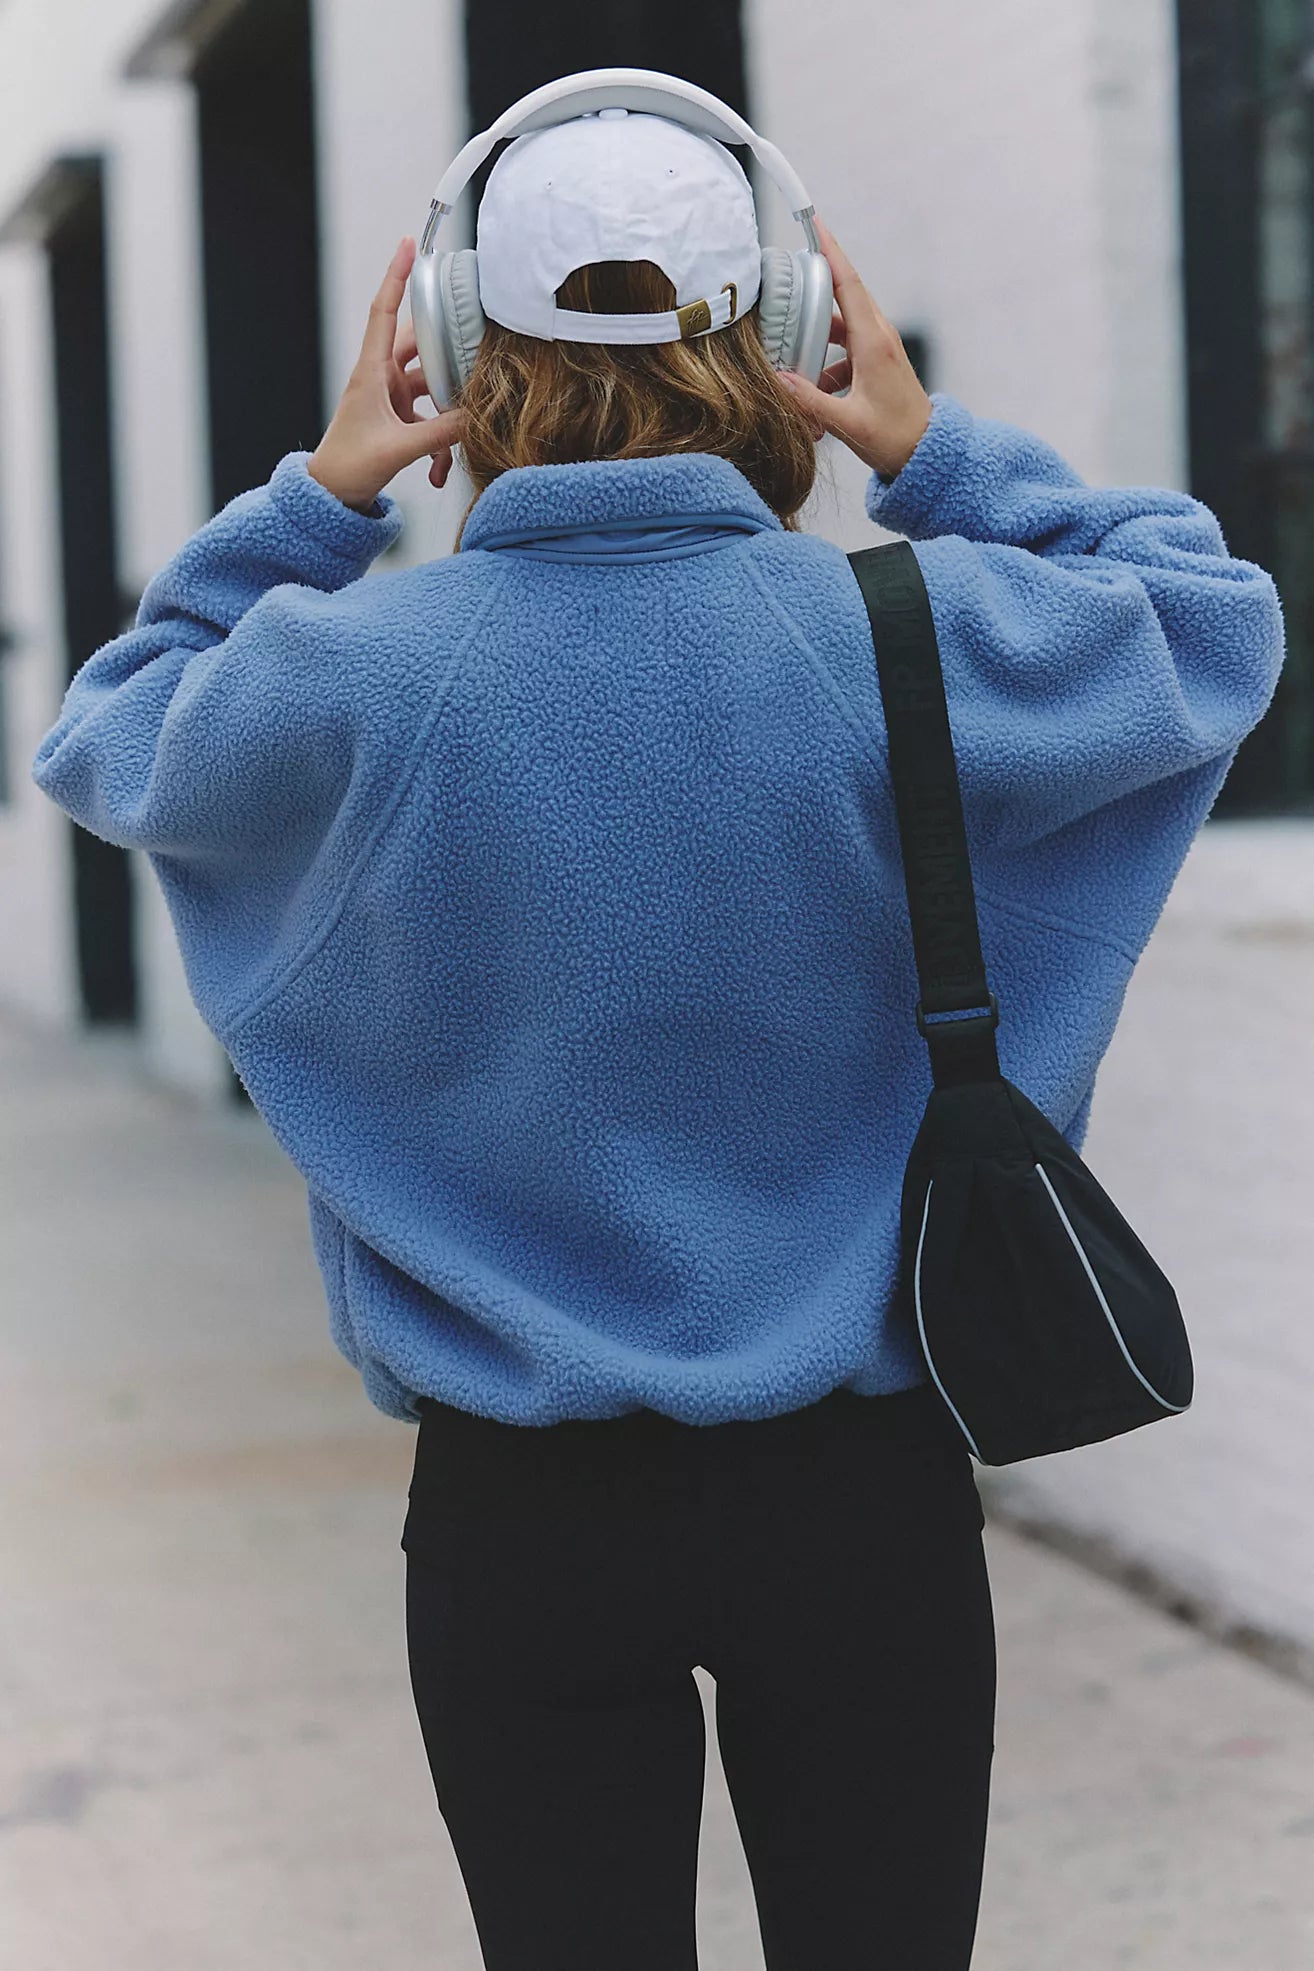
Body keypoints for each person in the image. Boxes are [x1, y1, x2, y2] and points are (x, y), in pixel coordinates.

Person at [31, 103, 1284, 1971]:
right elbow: (1212, 619)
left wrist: (322, 492)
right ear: (785, 330)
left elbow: (109, 728)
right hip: (859, 1493)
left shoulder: (359, 676)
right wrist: (928, 449)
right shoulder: (912, 636)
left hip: (517, 1513)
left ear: (449, 345)